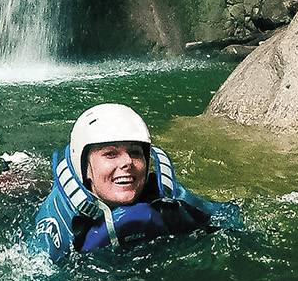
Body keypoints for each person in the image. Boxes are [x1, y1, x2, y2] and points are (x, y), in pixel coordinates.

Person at [29, 103, 240, 261]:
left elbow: (228, 217)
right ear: (85, 168)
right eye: (110, 154)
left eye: (135, 153)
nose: (128, 162)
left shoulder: (166, 198)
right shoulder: (58, 220)